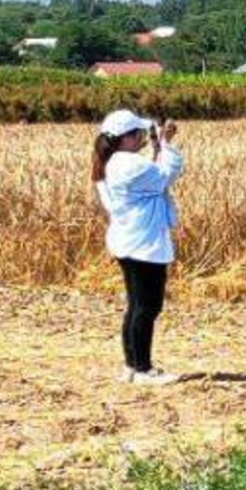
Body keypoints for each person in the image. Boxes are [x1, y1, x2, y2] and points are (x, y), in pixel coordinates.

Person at [91, 109, 185, 385]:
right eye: (139, 133)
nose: (144, 137)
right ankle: (143, 369)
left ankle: (132, 366)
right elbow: (167, 174)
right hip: (144, 244)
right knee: (148, 306)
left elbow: (151, 175)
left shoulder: (114, 163)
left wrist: (158, 147)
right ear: (127, 138)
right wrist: (165, 144)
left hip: (128, 240)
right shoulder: (128, 165)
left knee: (136, 305)